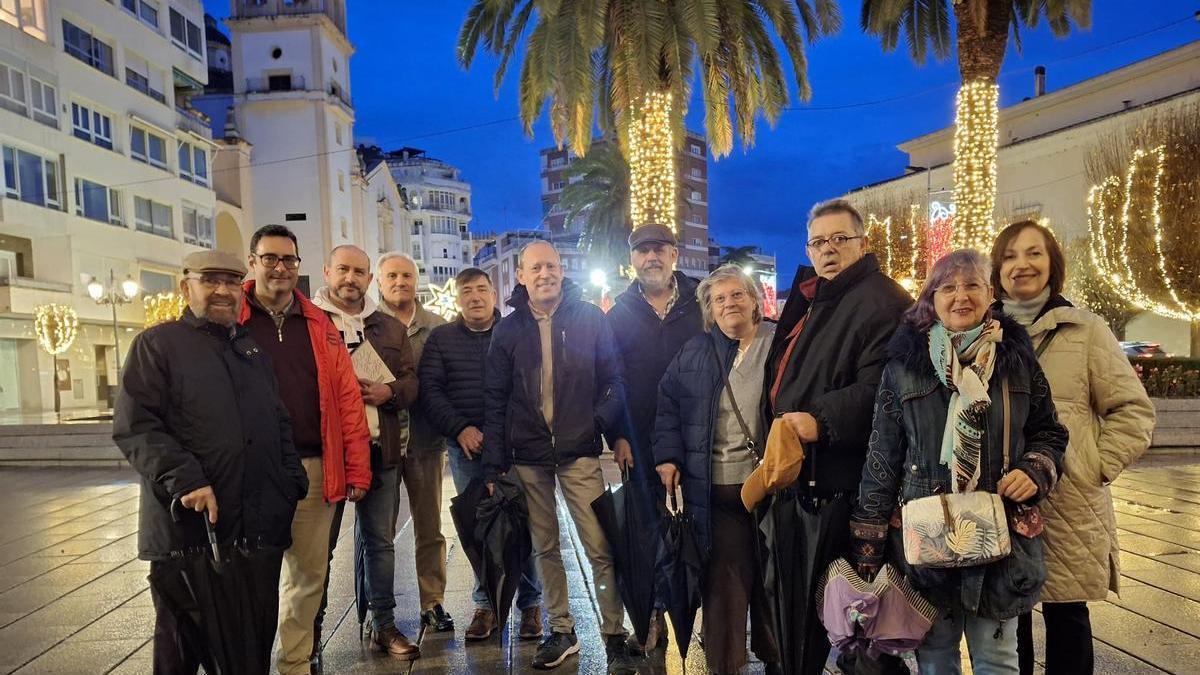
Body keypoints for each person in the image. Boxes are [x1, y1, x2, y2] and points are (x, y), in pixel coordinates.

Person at [850, 249, 1068, 674]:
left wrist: (1035, 468)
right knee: (934, 658)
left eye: (971, 285)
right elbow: (882, 457)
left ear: (990, 294)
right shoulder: (903, 369)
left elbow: (1049, 431)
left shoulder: (1017, 361)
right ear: (931, 299)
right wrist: (868, 548)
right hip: (927, 534)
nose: (960, 296)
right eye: (947, 287)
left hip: (1001, 534)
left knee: (998, 659)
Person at [114, 250, 308, 674]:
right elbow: (136, 426)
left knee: (248, 645)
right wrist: (188, 481)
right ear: (187, 287)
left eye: (231, 281)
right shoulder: (158, 344)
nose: (222, 290)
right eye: (210, 280)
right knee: (182, 648)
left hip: (254, 528)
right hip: (189, 530)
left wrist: (291, 482)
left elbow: (278, 420)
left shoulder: (250, 349)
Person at [990, 221, 1155, 675]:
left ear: (1052, 265)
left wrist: (1092, 465)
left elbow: (1133, 411)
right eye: (1009, 256)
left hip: (1068, 497)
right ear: (997, 268)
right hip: (999, 496)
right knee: (1007, 619)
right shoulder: (983, 332)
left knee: (1066, 616)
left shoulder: (1086, 329)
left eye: (1034, 254)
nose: (1021, 264)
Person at [762, 199, 911, 675]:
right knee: (804, 617)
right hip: (800, 479)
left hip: (836, 488)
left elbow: (882, 389)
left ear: (862, 243)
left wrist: (818, 419)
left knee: (851, 625)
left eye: (839, 239)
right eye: (818, 241)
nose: (828, 250)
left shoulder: (882, 300)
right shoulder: (818, 295)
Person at [482, 240, 635, 673]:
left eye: (551, 265)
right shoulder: (508, 330)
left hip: (579, 451)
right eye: (536, 267)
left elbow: (614, 378)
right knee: (544, 545)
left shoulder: (588, 317)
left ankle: (613, 632)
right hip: (528, 456)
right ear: (521, 275)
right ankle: (562, 629)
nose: (545, 273)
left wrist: (600, 423)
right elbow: (495, 399)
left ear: (561, 269)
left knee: (599, 544)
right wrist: (495, 463)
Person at [237, 224, 372, 675]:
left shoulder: (317, 322)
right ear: (252, 261)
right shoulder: (230, 319)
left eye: (288, 260)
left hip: (314, 468)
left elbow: (346, 400)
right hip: (250, 473)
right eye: (270, 258)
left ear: (299, 266)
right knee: (250, 578)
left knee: (308, 577)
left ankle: (293, 664)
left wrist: (357, 469)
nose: (280, 268)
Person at [654, 266, 780, 674]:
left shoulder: (777, 343)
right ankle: (727, 664)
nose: (729, 304)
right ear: (709, 309)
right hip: (716, 490)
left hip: (770, 487)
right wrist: (668, 456)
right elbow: (667, 402)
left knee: (773, 577)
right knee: (724, 585)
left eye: (737, 295)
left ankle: (776, 654)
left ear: (754, 299)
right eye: (719, 299)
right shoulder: (696, 350)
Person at [420, 267, 543, 641]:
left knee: (525, 527)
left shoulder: (516, 331)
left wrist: (506, 432)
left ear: (494, 293)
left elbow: (532, 384)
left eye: (481, 289)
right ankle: (485, 605)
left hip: (516, 447)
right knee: (478, 530)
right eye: (467, 291)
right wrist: (460, 429)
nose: (475, 297)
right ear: (458, 298)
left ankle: (531, 605)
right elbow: (431, 390)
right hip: (467, 450)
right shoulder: (441, 339)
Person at [310, 245, 422, 660]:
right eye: (343, 270)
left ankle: (384, 625)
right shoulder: (310, 321)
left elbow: (411, 383)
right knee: (319, 546)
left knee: (381, 542)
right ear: (327, 271)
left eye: (359, 272)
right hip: (326, 455)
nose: (351, 279)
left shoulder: (388, 327)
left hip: (380, 449)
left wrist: (389, 391)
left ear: (369, 279)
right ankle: (312, 632)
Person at [605, 223, 704, 653]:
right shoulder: (618, 313)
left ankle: (697, 613)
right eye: (643, 251)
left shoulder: (702, 300)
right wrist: (618, 435)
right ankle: (650, 617)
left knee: (697, 531)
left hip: (699, 437)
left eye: (659, 249)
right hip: (640, 441)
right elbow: (609, 379)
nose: (651, 258)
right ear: (632, 260)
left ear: (674, 255)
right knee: (644, 536)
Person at [376, 252, 454, 632]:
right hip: (382, 445)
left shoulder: (437, 327)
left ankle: (433, 601)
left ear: (416, 279)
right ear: (379, 280)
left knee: (429, 527)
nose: (400, 281)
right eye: (392, 275)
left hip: (424, 441)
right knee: (378, 533)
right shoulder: (366, 326)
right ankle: (380, 610)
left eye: (407, 275)